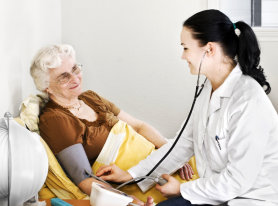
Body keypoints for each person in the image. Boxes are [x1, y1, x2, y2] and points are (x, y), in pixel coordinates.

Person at [96, 9, 278, 206]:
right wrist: (131, 175)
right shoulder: (208, 89)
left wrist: (182, 189)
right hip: (217, 195)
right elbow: (182, 143)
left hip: (249, 200)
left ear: (209, 49)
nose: (183, 56)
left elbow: (237, 181)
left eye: (185, 48)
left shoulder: (248, 101)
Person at [29, 44, 194, 202]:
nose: (75, 78)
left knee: (203, 166)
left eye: (75, 69)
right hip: (143, 184)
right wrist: (128, 201)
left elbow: (138, 126)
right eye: (64, 77)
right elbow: (85, 179)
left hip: (159, 162)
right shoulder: (56, 119)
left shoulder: (91, 97)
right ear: (47, 87)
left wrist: (172, 154)